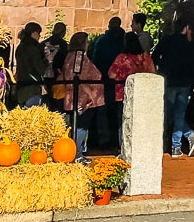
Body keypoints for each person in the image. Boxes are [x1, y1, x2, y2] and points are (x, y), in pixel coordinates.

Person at [153, 16, 194, 158]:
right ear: (185, 28)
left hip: (169, 81)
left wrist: (160, 70)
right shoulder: (189, 45)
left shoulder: (166, 41)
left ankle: (179, 144)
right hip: (184, 83)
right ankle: (183, 140)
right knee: (178, 113)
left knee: (171, 113)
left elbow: (155, 56)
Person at [57, 33, 104, 159]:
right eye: (86, 41)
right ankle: (76, 154)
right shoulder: (78, 57)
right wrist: (89, 92)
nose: (88, 44)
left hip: (76, 98)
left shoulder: (71, 56)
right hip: (80, 99)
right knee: (80, 126)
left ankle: (76, 153)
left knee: (77, 126)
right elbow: (75, 76)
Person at [109, 32, 154, 148]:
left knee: (123, 121)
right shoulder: (145, 57)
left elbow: (111, 74)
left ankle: (123, 147)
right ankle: (140, 146)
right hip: (142, 94)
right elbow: (152, 72)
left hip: (122, 94)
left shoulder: (122, 58)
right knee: (140, 121)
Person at [91, 17, 127, 149]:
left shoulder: (101, 41)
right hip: (122, 82)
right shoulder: (124, 41)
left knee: (102, 110)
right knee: (121, 112)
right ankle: (120, 140)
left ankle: (104, 139)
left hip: (105, 79)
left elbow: (95, 59)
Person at [14, 22, 46, 108]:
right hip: (32, 87)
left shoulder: (20, 47)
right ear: (34, 33)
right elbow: (40, 68)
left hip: (21, 85)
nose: (39, 36)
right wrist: (47, 61)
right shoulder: (33, 48)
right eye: (39, 33)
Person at [42, 22, 68, 108]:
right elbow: (65, 60)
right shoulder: (64, 45)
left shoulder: (43, 43)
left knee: (45, 100)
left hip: (44, 73)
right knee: (56, 101)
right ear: (63, 32)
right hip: (57, 75)